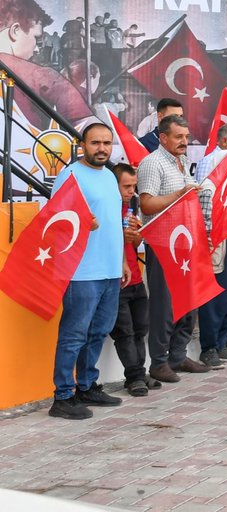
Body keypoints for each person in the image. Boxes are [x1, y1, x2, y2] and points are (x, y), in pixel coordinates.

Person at [47, 122, 127, 419]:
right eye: (95, 143)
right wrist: (82, 223)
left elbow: (113, 222)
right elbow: (56, 221)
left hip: (110, 269)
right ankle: (62, 397)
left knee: (98, 332)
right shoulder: (70, 175)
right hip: (81, 271)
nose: (102, 148)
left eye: (107, 143)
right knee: (73, 335)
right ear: (83, 145)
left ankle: (86, 385)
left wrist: (122, 262)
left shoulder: (109, 176)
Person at [138, 114, 210, 382]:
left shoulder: (182, 162)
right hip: (162, 245)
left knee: (189, 302)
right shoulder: (152, 163)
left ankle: (178, 355)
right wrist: (179, 195)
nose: (184, 141)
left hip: (185, 243)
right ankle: (158, 362)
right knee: (164, 306)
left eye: (186, 137)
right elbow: (147, 204)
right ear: (163, 137)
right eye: (178, 137)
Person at [194, 122, 227, 369]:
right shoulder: (211, 166)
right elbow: (206, 204)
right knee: (216, 293)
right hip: (217, 239)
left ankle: (224, 340)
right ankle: (209, 347)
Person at [107, 163, 158, 397]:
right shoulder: (107, 208)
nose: (131, 191)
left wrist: (137, 234)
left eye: (134, 186)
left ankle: (140, 372)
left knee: (140, 329)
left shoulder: (130, 207)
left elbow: (135, 243)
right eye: (126, 186)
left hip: (135, 277)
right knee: (124, 331)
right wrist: (121, 234)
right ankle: (134, 377)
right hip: (116, 280)